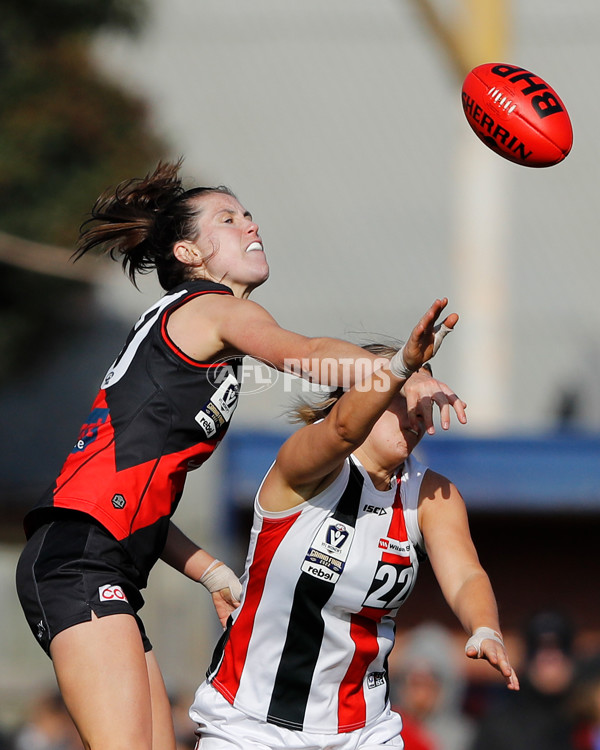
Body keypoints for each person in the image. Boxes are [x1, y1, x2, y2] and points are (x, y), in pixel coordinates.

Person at [15, 161, 467, 750]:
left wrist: (211, 571)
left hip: (100, 561)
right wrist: (399, 371)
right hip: (79, 562)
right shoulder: (211, 309)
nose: (250, 225)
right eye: (227, 220)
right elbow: (305, 353)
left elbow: (131, 496)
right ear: (190, 253)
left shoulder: (195, 331)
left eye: (248, 214)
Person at [189, 298, 518, 750]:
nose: (416, 413)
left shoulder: (430, 494)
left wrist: (486, 628)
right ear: (358, 396)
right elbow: (344, 431)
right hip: (251, 724)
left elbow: (465, 575)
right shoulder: (304, 467)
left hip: (364, 730)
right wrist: (403, 365)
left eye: (421, 400)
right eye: (401, 398)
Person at [471, 609, 577, 750]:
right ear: (526, 656)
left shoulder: (588, 722)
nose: (550, 658)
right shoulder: (500, 727)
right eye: (539, 648)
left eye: (560, 646)